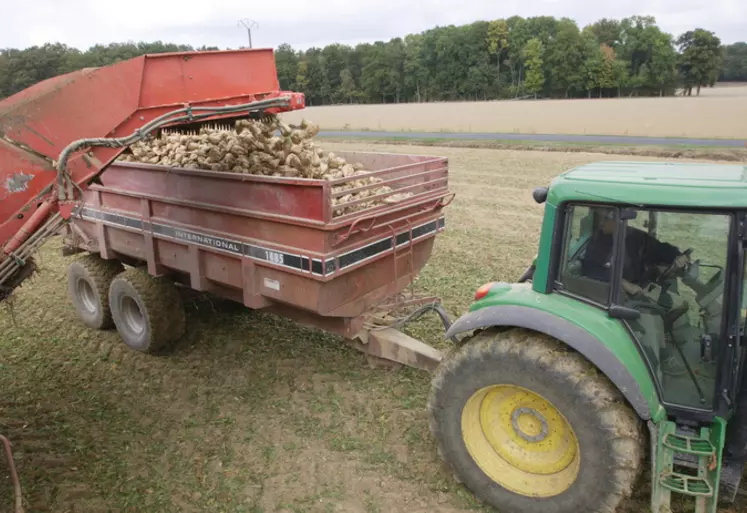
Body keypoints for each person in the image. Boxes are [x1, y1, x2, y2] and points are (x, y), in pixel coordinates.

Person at [581, 208, 690, 297]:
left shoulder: (636, 237)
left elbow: (659, 248)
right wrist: (623, 283)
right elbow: (591, 271)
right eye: (598, 218)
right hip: (613, 297)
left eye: (605, 218)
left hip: (640, 290)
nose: (600, 222)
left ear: (618, 219)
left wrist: (676, 256)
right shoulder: (596, 243)